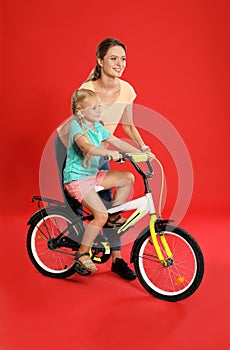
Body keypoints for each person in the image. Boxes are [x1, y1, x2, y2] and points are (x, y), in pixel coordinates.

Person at [57, 37, 154, 279]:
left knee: (112, 210)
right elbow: (83, 132)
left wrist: (141, 148)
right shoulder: (88, 90)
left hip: (101, 145)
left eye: (123, 58)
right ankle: (80, 254)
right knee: (81, 208)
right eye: (113, 58)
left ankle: (117, 259)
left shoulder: (127, 90)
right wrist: (105, 151)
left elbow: (128, 127)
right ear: (100, 61)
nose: (120, 63)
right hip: (79, 147)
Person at [64, 88, 146, 277]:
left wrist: (141, 153)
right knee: (99, 216)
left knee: (127, 178)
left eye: (100, 106)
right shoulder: (78, 125)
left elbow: (118, 142)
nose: (100, 110)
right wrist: (108, 153)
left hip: (92, 176)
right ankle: (83, 253)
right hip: (77, 179)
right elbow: (87, 147)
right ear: (81, 112)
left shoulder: (98, 127)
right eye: (94, 108)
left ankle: (113, 215)